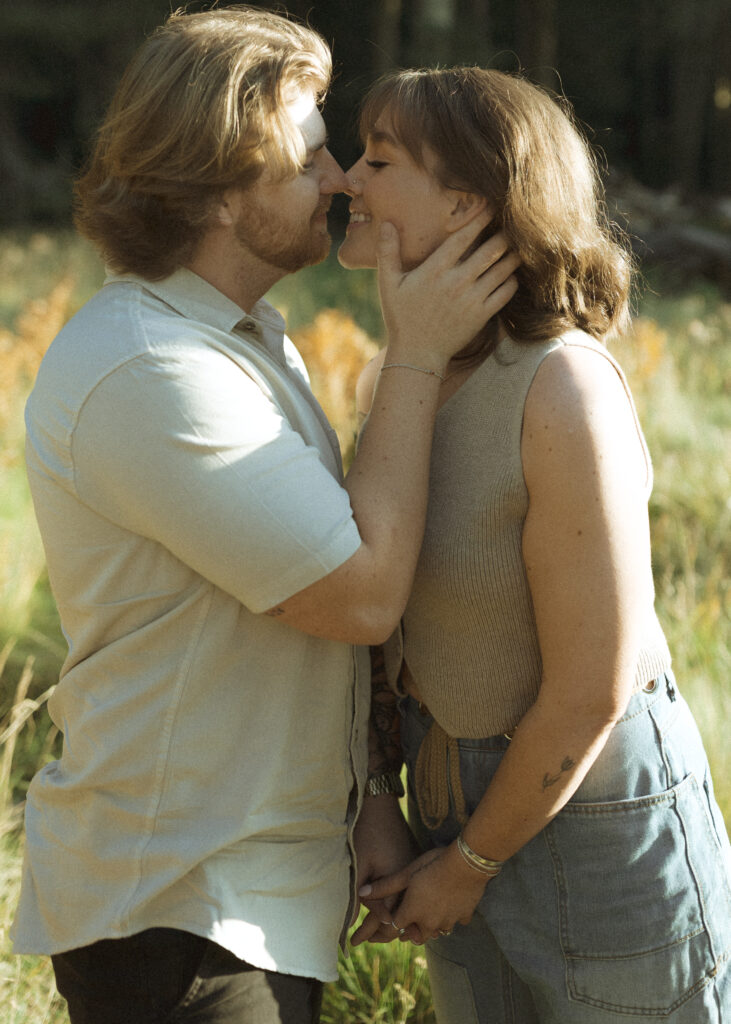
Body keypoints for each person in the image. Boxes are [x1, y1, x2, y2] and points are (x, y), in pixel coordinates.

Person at [11, 11, 520, 1023]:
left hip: (244, 895)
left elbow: (312, 591)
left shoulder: (246, 340)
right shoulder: (153, 370)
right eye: (308, 159)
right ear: (213, 193)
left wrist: (367, 797)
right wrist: (413, 350)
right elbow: (361, 596)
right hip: (176, 912)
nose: (338, 181)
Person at [339, 67, 731, 1023]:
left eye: (379, 160)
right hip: (447, 803)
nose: (345, 178)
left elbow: (591, 684)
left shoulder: (560, 386)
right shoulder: (405, 369)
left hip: (593, 817)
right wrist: (380, 803)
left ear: (469, 204)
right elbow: (375, 620)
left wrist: (471, 864)